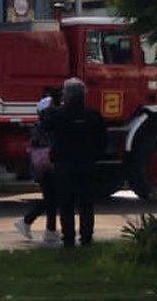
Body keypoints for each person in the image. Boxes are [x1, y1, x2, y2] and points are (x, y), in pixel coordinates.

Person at [50, 77, 107, 247]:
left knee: (66, 203)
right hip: (87, 164)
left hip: (65, 165)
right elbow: (103, 139)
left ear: (66, 96)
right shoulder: (93, 115)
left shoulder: (59, 115)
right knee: (86, 204)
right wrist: (95, 155)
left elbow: (47, 127)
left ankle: (68, 238)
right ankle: (86, 237)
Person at [14, 87, 61, 243]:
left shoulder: (40, 121)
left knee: (51, 196)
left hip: (40, 161)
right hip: (49, 161)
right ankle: (27, 221)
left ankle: (50, 230)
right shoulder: (52, 116)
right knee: (51, 197)